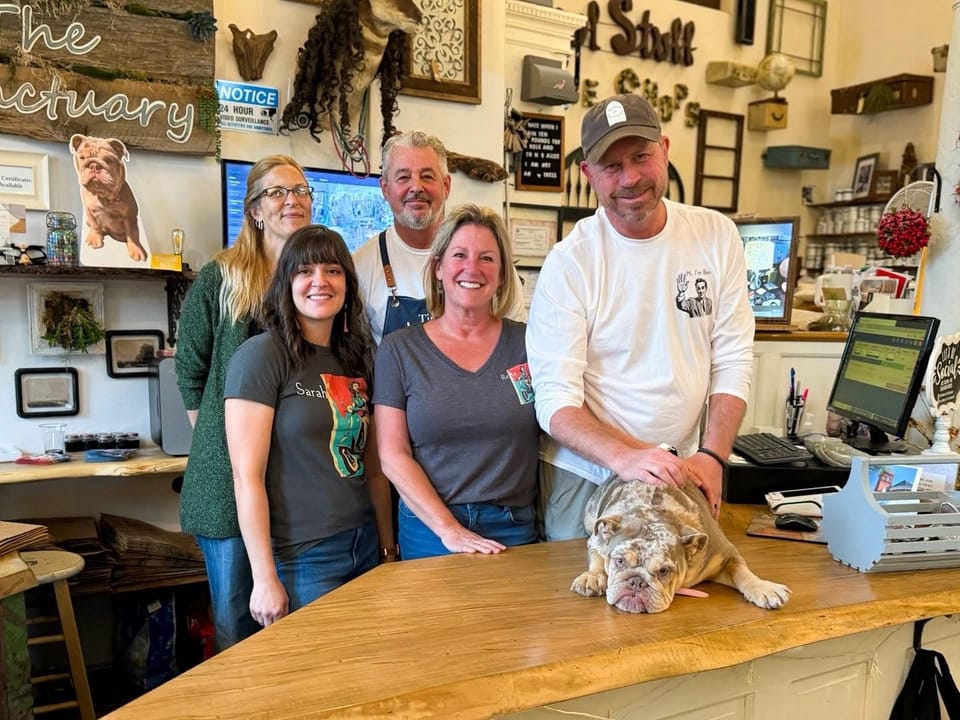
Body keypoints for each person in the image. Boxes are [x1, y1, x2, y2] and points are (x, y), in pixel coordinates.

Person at [526, 93, 755, 542]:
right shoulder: (570, 262)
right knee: (585, 601)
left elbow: (733, 359)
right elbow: (555, 401)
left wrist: (713, 455)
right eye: (611, 166)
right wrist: (626, 458)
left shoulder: (716, 235)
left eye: (641, 157)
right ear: (587, 174)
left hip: (685, 466)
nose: (630, 178)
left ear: (665, 149)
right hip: (588, 473)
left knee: (680, 593)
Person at [224, 225, 394, 627]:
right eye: (305, 271)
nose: (320, 281)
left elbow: (374, 467)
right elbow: (246, 477)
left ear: (348, 285)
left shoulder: (357, 357)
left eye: (333, 270)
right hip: (304, 557)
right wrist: (264, 577)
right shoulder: (261, 356)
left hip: (365, 543)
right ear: (286, 283)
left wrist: (388, 548)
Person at [176, 155, 313, 650]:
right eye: (277, 192)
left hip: (298, 476)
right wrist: (221, 439)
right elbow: (189, 368)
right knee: (240, 616)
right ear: (254, 209)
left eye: (300, 190)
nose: (291, 201)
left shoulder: (316, 276)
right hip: (227, 487)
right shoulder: (222, 277)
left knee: (294, 617)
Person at [374, 204, 539, 560]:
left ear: (502, 275)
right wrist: (448, 529)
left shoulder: (530, 344)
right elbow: (392, 454)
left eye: (487, 259)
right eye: (459, 255)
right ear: (438, 268)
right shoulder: (399, 349)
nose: (472, 269)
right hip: (429, 528)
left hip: (514, 526)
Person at [354, 131, 526, 346]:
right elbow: (357, 355)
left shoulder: (486, 262)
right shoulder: (361, 267)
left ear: (446, 186)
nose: (416, 187)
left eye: (427, 176)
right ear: (385, 189)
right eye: (403, 177)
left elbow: (517, 345)